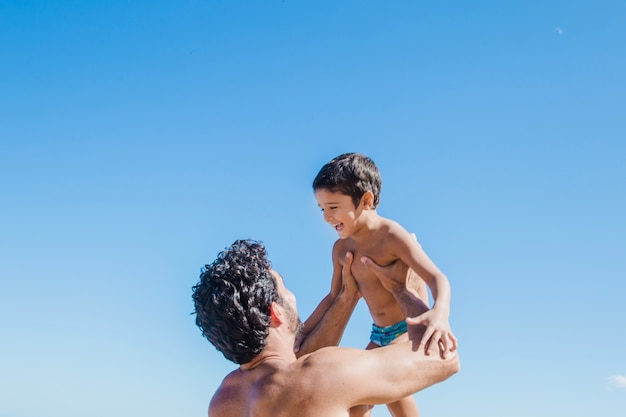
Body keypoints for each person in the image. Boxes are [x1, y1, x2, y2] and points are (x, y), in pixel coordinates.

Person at [192, 239, 459, 417]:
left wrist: (347, 296)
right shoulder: (322, 374)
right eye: (286, 289)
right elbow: (444, 358)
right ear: (276, 312)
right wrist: (404, 289)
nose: (294, 298)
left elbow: (294, 363)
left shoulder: (222, 403)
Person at [299, 152, 458, 417]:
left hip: (406, 334)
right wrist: (301, 332)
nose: (326, 217)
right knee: (369, 405)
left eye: (333, 207)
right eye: (322, 209)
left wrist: (440, 313)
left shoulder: (392, 235)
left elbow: (436, 278)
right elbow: (332, 297)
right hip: (378, 336)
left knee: (370, 401)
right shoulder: (340, 249)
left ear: (366, 200)